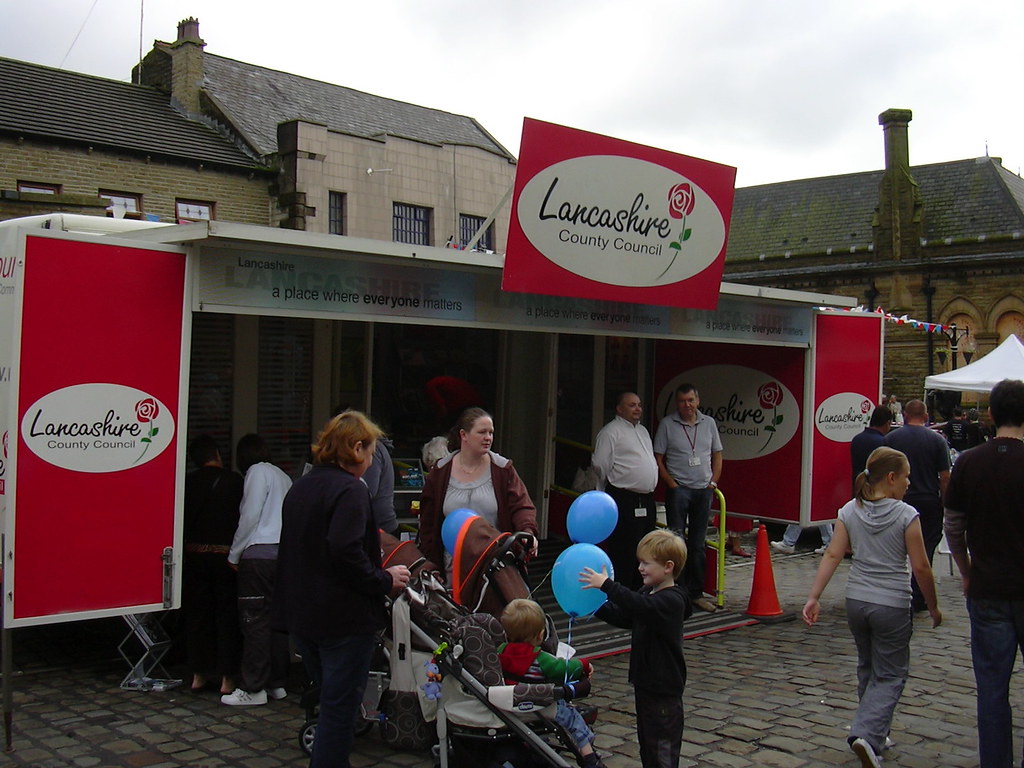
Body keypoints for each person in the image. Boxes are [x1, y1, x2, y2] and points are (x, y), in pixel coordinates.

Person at [275, 411, 410, 768]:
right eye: (370, 453)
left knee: (331, 701)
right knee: (339, 709)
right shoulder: (350, 490)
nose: (371, 462)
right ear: (355, 448)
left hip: (304, 617)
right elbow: (345, 550)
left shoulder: (301, 486)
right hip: (343, 619)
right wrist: (384, 579)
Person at [803, 447, 941, 768]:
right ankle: (866, 732)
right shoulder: (907, 515)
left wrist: (814, 596)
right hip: (891, 603)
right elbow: (921, 567)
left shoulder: (850, 510)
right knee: (891, 673)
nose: (909, 483)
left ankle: (876, 732)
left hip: (857, 601)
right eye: (906, 476)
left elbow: (833, 555)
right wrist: (933, 606)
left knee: (867, 666)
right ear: (891, 478)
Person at [943, 379, 1024, 768]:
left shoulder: (969, 462)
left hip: (988, 585)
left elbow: (953, 527)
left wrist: (966, 570)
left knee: (992, 689)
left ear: (990, 415)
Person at [580, 529, 691, 768]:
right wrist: (594, 606)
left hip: (664, 690)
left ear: (668, 567)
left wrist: (608, 586)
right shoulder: (648, 593)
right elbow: (627, 617)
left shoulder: (671, 600)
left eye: (646, 563)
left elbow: (639, 606)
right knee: (648, 745)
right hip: (646, 684)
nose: (640, 568)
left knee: (663, 749)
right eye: (640, 562)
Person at [417, 407, 539, 575]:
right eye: (482, 432)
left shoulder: (503, 469)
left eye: (491, 432)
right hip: (451, 567)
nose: (488, 438)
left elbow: (522, 506)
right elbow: (428, 523)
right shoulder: (440, 471)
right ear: (463, 435)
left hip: (494, 564)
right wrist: (432, 565)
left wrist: (527, 532)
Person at [222, 434, 293, 706]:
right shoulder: (283, 477)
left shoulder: (256, 472)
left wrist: (234, 553)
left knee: (254, 622)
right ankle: (277, 682)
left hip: (258, 555)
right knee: (276, 621)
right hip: (281, 554)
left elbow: (250, 515)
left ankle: (253, 688)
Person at [498, 598, 605, 768]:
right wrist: (584, 665)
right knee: (572, 717)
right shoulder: (541, 659)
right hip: (541, 705)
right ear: (541, 635)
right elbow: (564, 669)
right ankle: (588, 756)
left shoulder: (500, 651)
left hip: (509, 706)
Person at [182, 435, 244, 695]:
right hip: (225, 557)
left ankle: (199, 674)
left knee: (198, 616)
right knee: (227, 616)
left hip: (195, 556)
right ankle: (227, 678)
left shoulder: (187, 482)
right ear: (217, 454)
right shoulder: (234, 481)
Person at [653, 383, 722, 613]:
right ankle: (677, 592)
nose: (687, 405)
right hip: (679, 490)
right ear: (677, 403)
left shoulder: (709, 423)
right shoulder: (667, 424)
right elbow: (658, 458)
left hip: (703, 490)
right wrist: (672, 484)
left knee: (698, 544)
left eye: (691, 400)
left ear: (698, 401)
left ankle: (696, 592)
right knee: (676, 542)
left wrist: (713, 482)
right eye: (683, 401)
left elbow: (717, 454)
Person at [883, 399, 950, 612]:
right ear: (926, 415)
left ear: (905, 413)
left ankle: (893, 590)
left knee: (893, 546)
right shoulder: (937, 440)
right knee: (927, 546)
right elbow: (945, 476)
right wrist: (944, 501)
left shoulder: (891, 439)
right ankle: (919, 594)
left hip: (899, 499)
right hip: (928, 499)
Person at [591, 392, 659, 589]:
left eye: (639, 405)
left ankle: (641, 590)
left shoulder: (643, 431)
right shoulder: (610, 432)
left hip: (646, 499)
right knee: (625, 549)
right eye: (632, 405)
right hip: (624, 497)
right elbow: (600, 465)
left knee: (646, 547)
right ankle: (621, 593)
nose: (637, 409)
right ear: (619, 409)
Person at [850, 405, 893, 491]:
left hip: (858, 488)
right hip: (876, 490)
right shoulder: (884, 443)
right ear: (887, 423)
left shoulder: (856, 439)